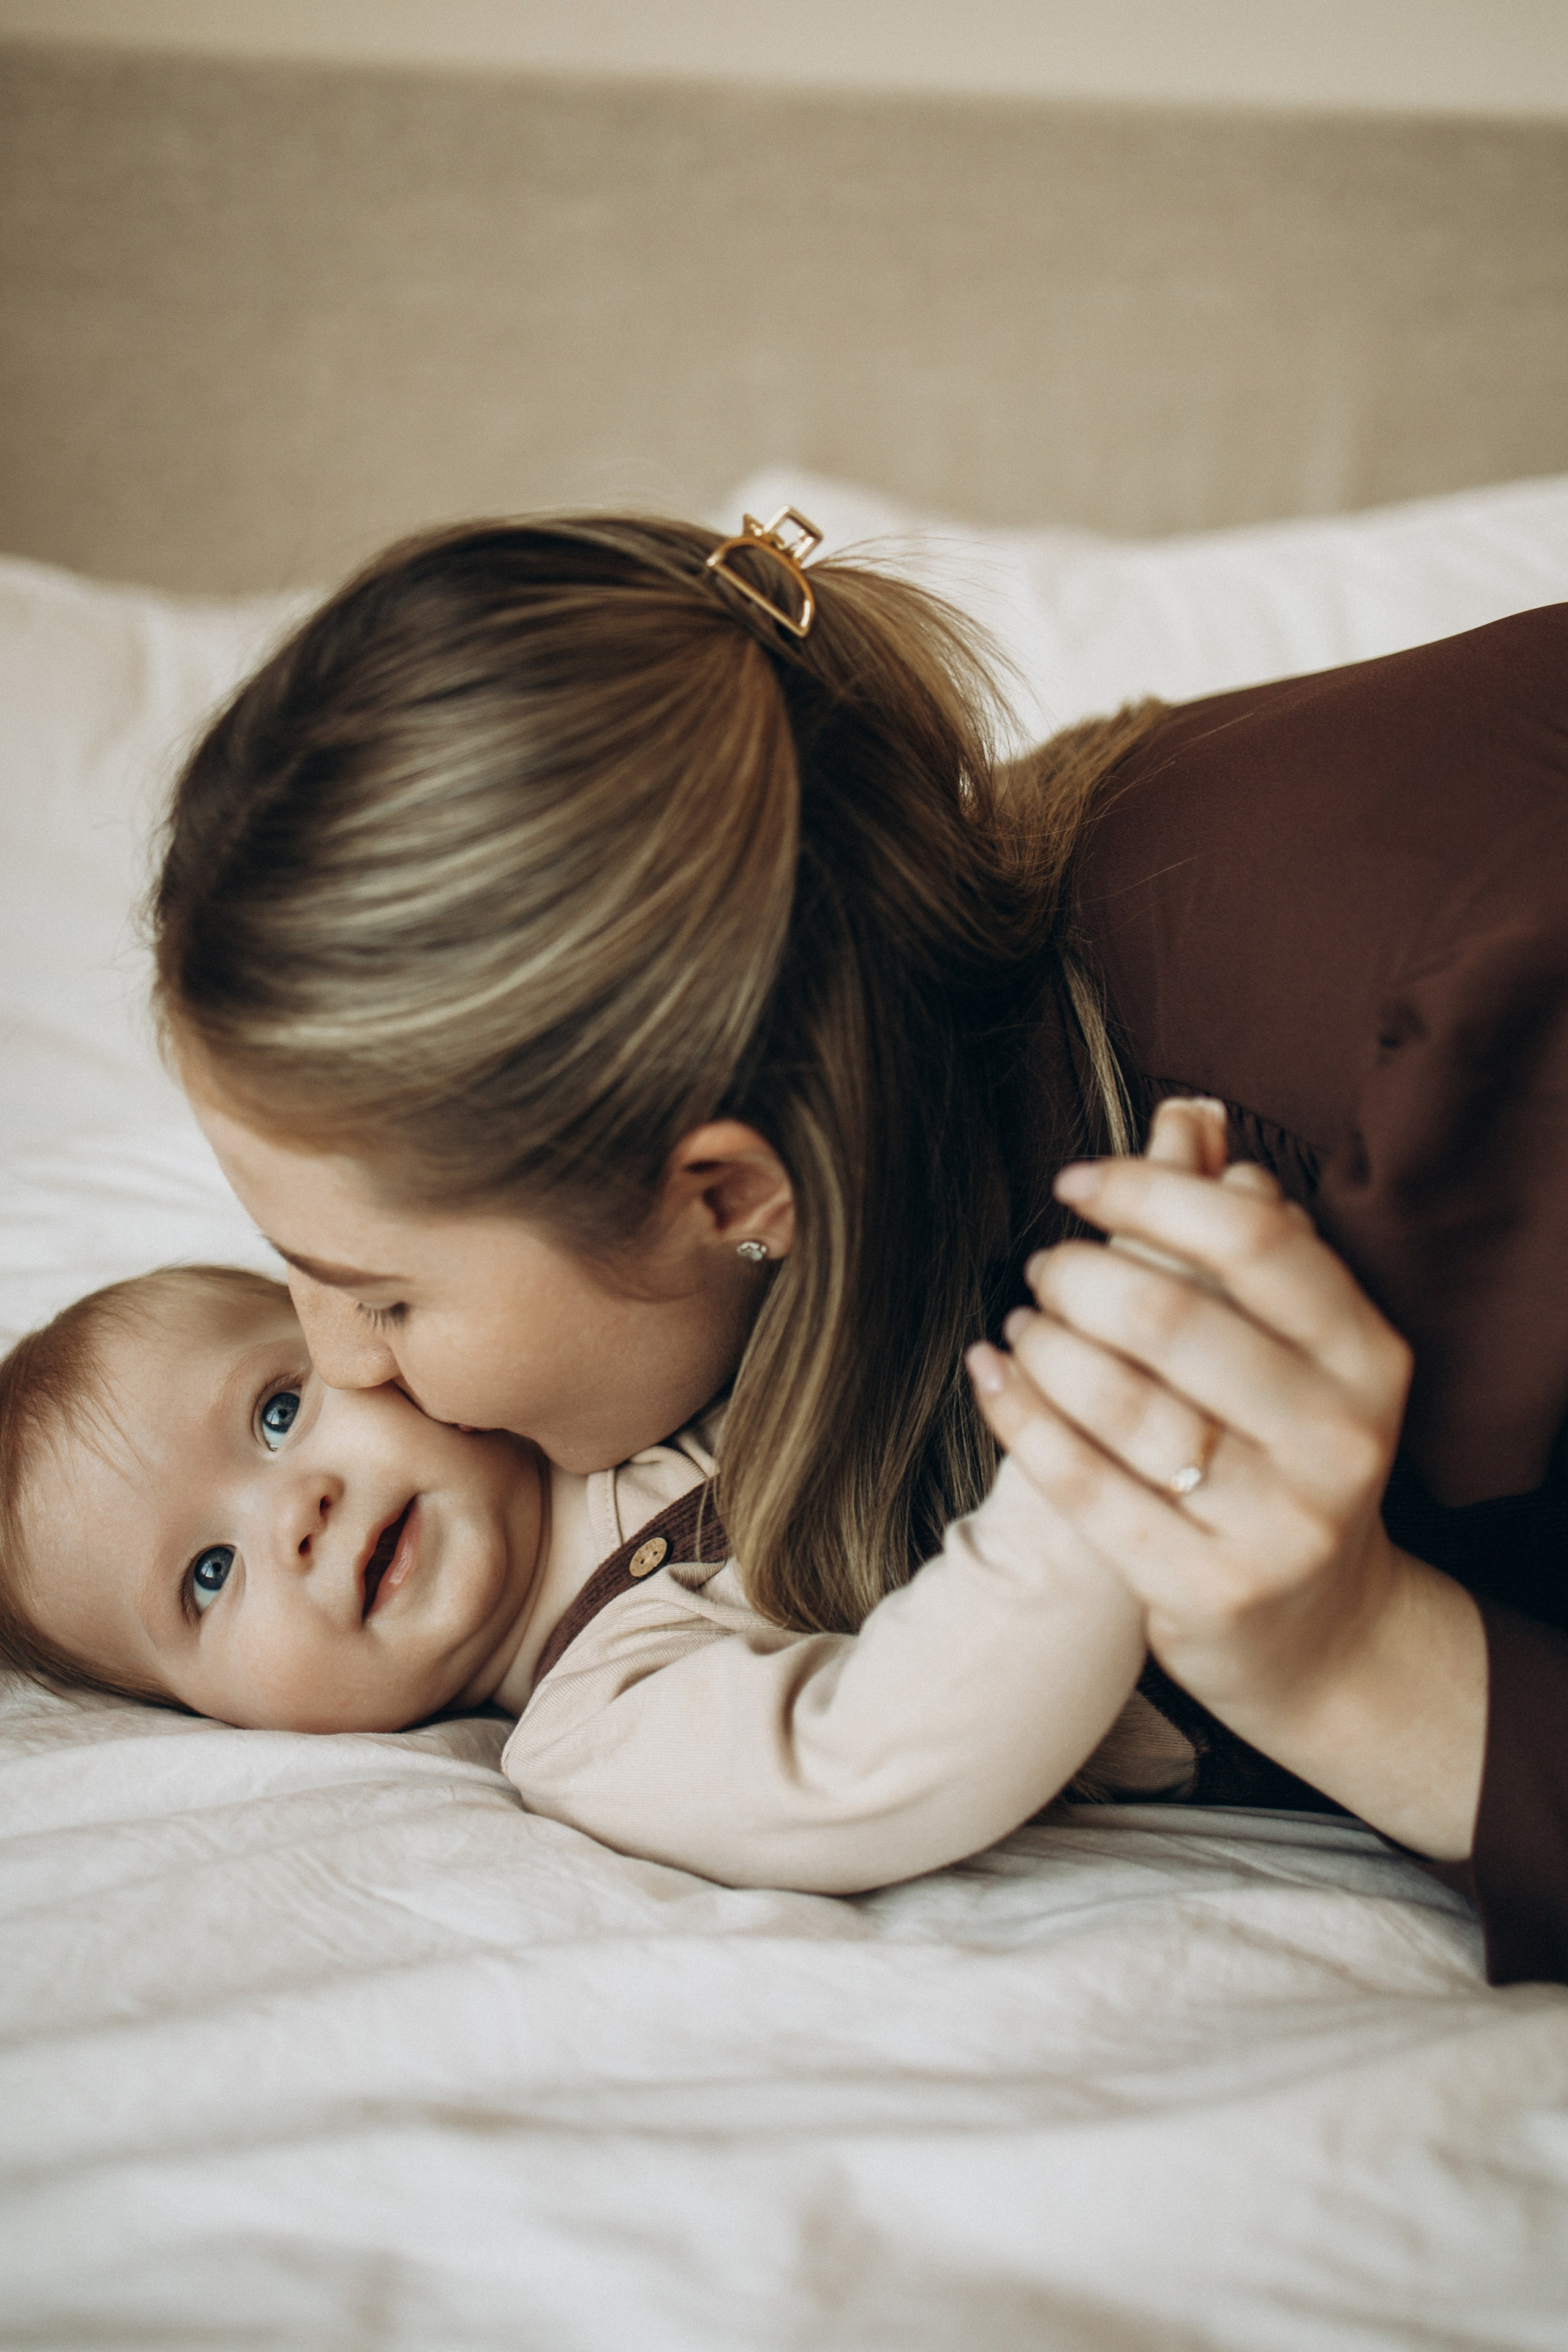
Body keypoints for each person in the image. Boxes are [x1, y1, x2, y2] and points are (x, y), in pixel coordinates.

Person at [149, 510, 1568, 1982]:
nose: (334, 1361)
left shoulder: (1413, 1097)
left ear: (730, 1199)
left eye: (380, 1294)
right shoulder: (906, 946)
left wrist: (1352, 1661)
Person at [0, 1261, 1197, 1885]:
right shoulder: (597, 1734)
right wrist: (1090, 1463)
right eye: (208, 1577)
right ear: (219, 1721)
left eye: (275, 1413)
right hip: (1203, 1583)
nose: (294, 1517)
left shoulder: (613, 1371)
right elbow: (881, 1753)